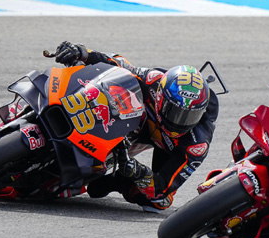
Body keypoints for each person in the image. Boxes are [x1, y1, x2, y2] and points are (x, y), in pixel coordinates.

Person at [54, 41, 218, 213]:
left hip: (167, 148)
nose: (180, 122)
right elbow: (122, 66)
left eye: (190, 116)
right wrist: (83, 53)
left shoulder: (197, 144)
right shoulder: (154, 80)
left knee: (160, 202)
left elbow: (162, 187)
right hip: (138, 118)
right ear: (161, 97)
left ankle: (118, 180)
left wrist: (139, 172)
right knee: (115, 81)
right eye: (175, 112)